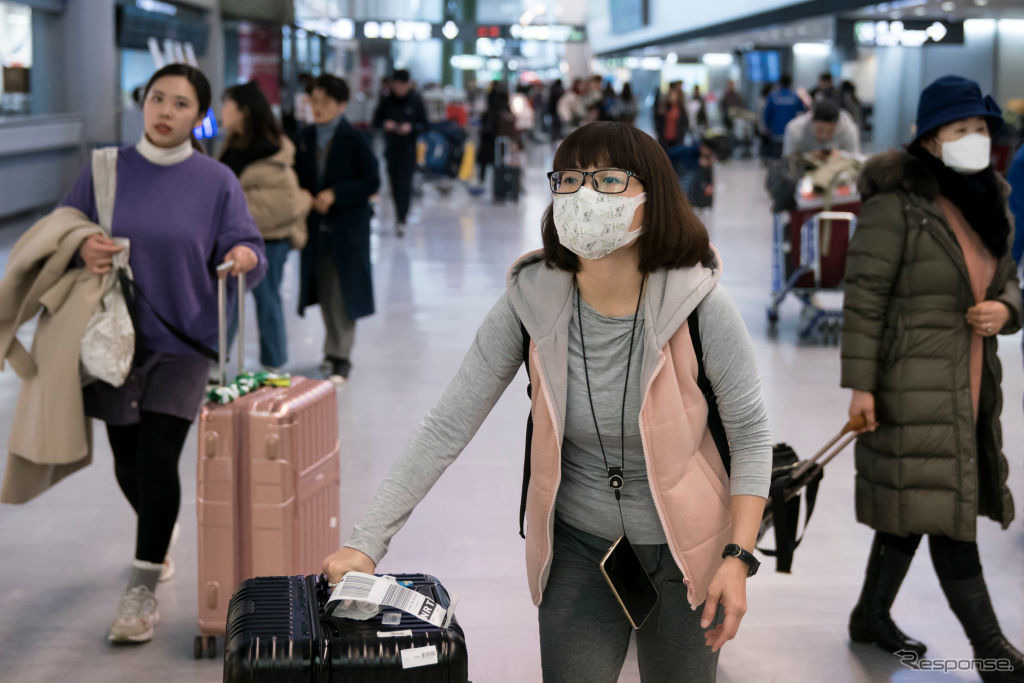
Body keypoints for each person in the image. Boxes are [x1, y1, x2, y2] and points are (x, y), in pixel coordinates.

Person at [322, 121, 772, 682]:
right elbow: (446, 425)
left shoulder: (700, 305)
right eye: (571, 179)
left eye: (609, 179)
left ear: (653, 199)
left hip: (689, 552)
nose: (585, 195)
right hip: (578, 548)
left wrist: (738, 557)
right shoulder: (531, 300)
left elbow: (751, 434)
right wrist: (366, 544)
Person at [62, 63, 267, 643]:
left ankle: (142, 587)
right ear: (143, 103)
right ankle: (159, 528)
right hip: (111, 338)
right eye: (158, 99)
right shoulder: (106, 169)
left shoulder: (216, 180)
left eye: (181, 103)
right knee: (127, 459)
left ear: (198, 116)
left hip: (185, 339)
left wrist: (245, 258)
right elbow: (64, 224)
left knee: (157, 459)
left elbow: (245, 242)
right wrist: (82, 243)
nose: (165, 111)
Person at [842, 75, 1024, 680]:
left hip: (970, 379)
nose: (974, 138)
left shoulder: (990, 195)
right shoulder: (898, 204)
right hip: (909, 382)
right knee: (947, 515)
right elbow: (864, 298)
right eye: (960, 129)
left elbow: (1007, 280)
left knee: (918, 504)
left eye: (980, 128)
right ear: (928, 140)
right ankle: (994, 654)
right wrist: (861, 386)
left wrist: (1007, 310)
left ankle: (870, 615)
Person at [219, 81, 311, 372]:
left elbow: (284, 203)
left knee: (267, 300)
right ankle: (217, 359)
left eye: (227, 105)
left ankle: (274, 363)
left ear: (244, 111)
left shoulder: (270, 151)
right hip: (233, 239)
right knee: (229, 300)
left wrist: (233, 206)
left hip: (270, 240)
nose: (222, 112)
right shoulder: (233, 143)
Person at [296, 74, 381, 384]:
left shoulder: (354, 139)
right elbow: (296, 176)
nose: (317, 108)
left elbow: (371, 181)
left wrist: (335, 194)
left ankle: (341, 356)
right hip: (316, 228)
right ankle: (331, 351)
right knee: (322, 288)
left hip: (347, 229)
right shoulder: (304, 137)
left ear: (341, 105)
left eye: (325, 103)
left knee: (343, 294)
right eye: (313, 101)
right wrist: (304, 194)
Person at [371, 69, 428, 235]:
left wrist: (411, 128)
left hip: (409, 150)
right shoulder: (387, 100)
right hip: (391, 149)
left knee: (405, 184)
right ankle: (398, 214)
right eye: (396, 84)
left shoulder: (416, 101)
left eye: (402, 85)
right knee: (394, 184)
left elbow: (425, 124)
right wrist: (386, 125)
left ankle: (402, 217)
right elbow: (375, 121)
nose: (399, 88)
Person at [782, 101, 861, 158]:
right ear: (812, 121)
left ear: (838, 125)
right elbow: (788, 158)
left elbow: (855, 157)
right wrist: (808, 156)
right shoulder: (795, 129)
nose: (824, 136)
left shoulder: (849, 129)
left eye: (830, 131)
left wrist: (840, 155)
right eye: (820, 130)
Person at [762, 74, 805, 159]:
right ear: (790, 83)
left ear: (780, 83)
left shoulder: (773, 97)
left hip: (777, 132)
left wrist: (767, 128)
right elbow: (802, 114)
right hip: (792, 133)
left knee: (777, 157)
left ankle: (776, 171)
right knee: (790, 156)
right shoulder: (795, 97)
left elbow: (767, 114)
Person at [659, 83, 688, 149]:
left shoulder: (681, 109)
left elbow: (685, 124)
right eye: (670, 95)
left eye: (673, 95)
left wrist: (681, 135)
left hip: (677, 139)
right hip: (665, 139)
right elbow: (660, 123)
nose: (671, 97)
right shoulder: (665, 108)